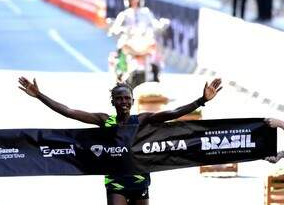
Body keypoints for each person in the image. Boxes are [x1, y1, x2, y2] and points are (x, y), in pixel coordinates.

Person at [18, 76, 222, 205]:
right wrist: (39, 95)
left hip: (140, 180)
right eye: (119, 98)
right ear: (113, 102)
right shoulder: (105, 121)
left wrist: (202, 100)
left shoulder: (142, 120)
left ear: (133, 101)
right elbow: (70, 112)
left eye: (127, 98)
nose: (123, 101)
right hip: (115, 182)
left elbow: (173, 113)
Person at [108, 0, 165, 88]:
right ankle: (119, 77)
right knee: (120, 53)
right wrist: (117, 30)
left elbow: (155, 24)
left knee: (156, 54)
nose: (134, 1)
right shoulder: (124, 14)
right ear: (128, 1)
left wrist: (161, 25)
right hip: (129, 43)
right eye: (132, 0)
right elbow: (115, 27)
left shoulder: (146, 13)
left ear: (140, 0)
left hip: (143, 42)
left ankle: (156, 78)